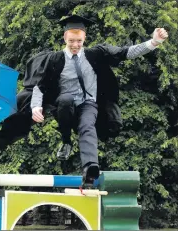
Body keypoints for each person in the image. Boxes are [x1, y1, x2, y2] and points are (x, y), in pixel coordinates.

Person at [28, 15, 168, 185]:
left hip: (88, 104)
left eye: (79, 41)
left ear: (84, 38)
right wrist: (36, 106)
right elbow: (39, 86)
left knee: (87, 125)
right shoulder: (55, 59)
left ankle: (90, 168)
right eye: (71, 41)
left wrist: (153, 42)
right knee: (65, 99)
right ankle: (66, 141)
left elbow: (125, 52)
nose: (75, 45)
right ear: (65, 37)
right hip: (65, 108)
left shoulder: (96, 54)